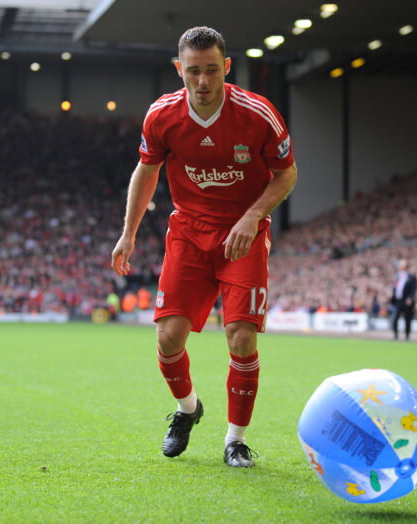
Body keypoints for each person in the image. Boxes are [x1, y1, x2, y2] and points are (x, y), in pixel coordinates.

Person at [111, 26, 297, 468]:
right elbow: (146, 171)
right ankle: (188, 409)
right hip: (189, 232)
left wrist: (252, 217)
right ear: (179, 69)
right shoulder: (161, 116)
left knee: (241, 337)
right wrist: (129, 232)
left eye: (212, 70)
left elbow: (286, 174)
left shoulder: (258, 114)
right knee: (168, 335)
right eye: (193, 71)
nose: (203, 81)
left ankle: (236, 440)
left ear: (226, 67)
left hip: (243, 236)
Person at [390, 258, 417, 340]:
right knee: (395, 318)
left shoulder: (411, 277)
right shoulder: (397, 276)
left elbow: (413, 289)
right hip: (398, 300)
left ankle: (407, 336)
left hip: (407, 301)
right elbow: (395, 287)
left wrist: (410, 298)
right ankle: (395, 335)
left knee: (407, 319)